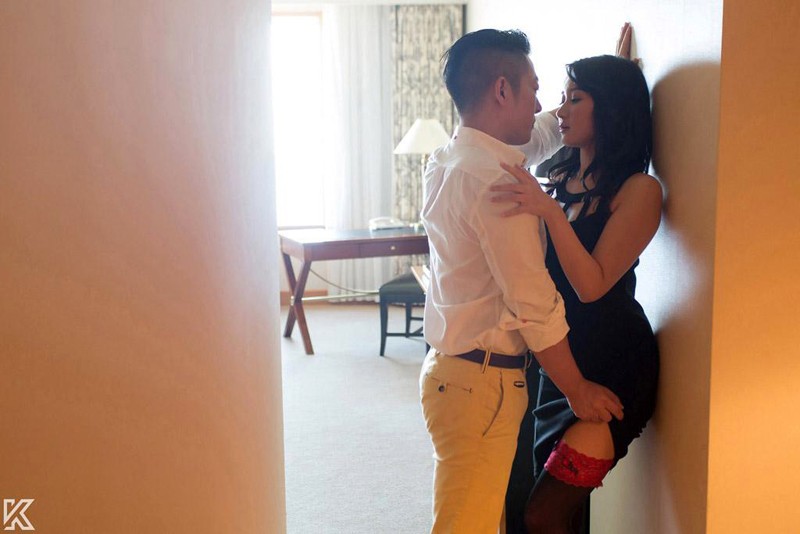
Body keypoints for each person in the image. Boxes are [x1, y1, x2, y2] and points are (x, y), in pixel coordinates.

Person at [419, 28, 624, 534]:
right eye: (534, 89)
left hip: (452, 374)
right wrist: (576, 388)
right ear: (502, 90)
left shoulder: (452, 158)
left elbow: (537, 137)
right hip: (480, 385)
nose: (539, 105)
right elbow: (534, 302)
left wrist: (606, 87)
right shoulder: (498, 186)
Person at [490, 52, 661, 533]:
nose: (559, 112)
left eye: (575, 100)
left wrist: (547, 211)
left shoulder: (639, 190)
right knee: (536, 508)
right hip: (559, 365)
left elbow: (591, 285)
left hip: (614, 367)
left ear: (610, 107)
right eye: (562, 98)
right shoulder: (563, 177)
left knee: (545, 513)